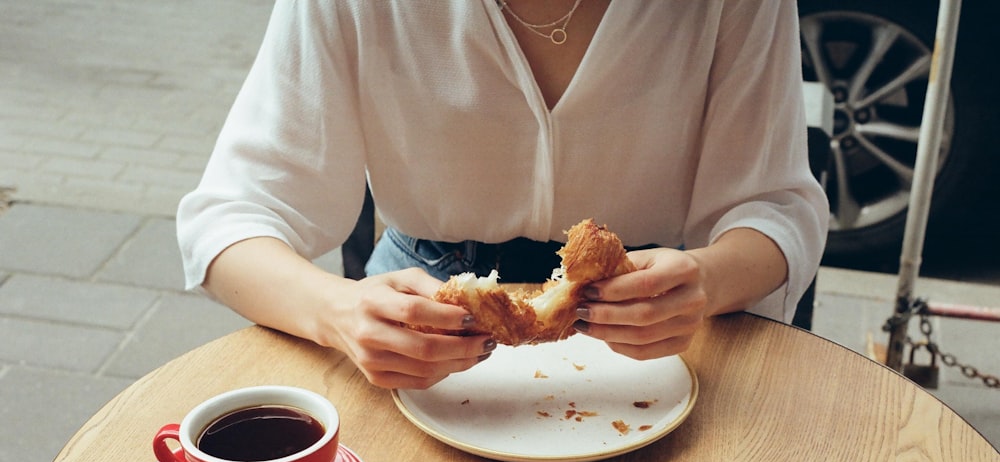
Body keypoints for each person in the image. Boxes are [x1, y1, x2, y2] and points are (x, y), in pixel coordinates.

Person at [177, 0, 829, 390]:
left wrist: (707, 280)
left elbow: (776, 205)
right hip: (422, 329)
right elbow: (229, 220)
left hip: (662, 328)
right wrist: (339, 311)